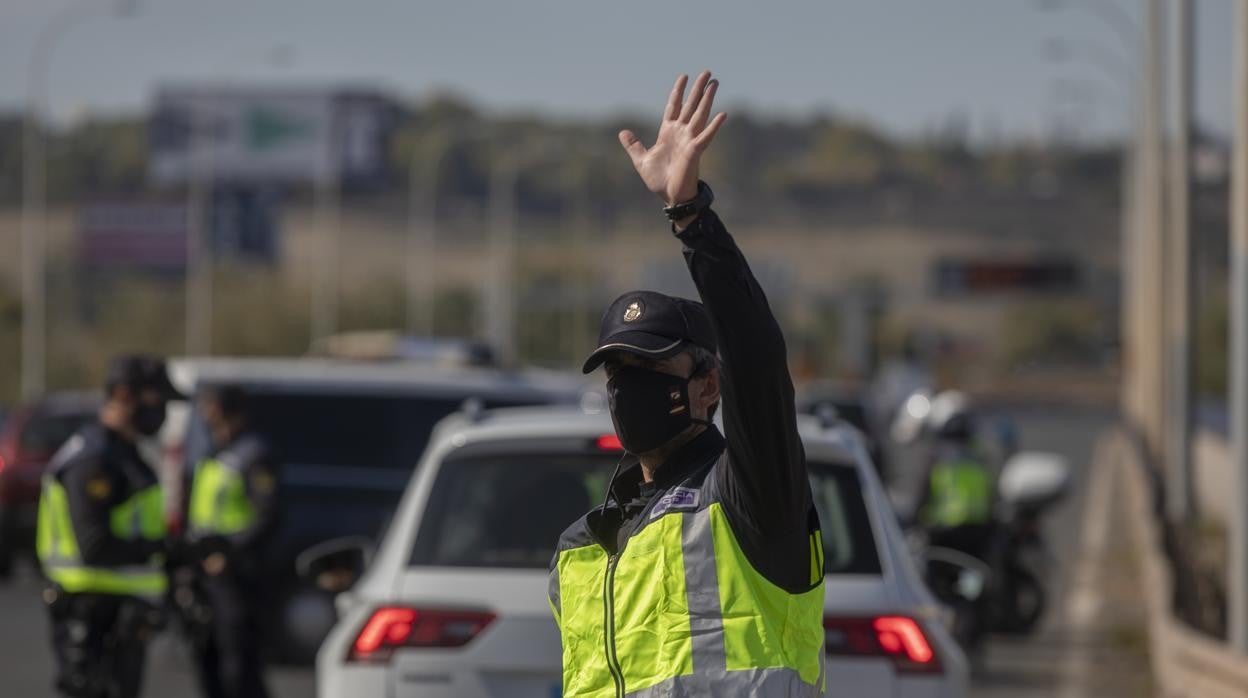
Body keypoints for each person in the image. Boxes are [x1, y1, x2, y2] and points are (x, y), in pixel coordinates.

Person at [548, 71, 826, 697]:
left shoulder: (751, 499)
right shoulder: (581, 551)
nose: (629, 389)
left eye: (652, 371)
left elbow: (757, 357)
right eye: (619, 374)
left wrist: (690, 214)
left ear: (709, 386)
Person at [35, 355, 184, 697]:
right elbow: (94, 546)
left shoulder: (126, 454)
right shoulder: (95, 459)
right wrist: (161, 549)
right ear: (122, 395)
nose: (161, 410)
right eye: (155, 400)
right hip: (90, 618)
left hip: (120, 616)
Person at [184, 385, 279, 698]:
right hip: (206, 575)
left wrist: (230, 554)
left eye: (210, 406)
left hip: (237, 576)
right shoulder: (214, 453)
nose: (204, 414)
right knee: (208, 660)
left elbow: (268, 515)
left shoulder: (252, 454)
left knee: (240, 667)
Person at [913, 390, 996, 557]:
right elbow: (991, 494)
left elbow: (923, 496)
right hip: (979, 532)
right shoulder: (980, 454)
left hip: (944, 533)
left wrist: (915, 521)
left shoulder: (937, 456)